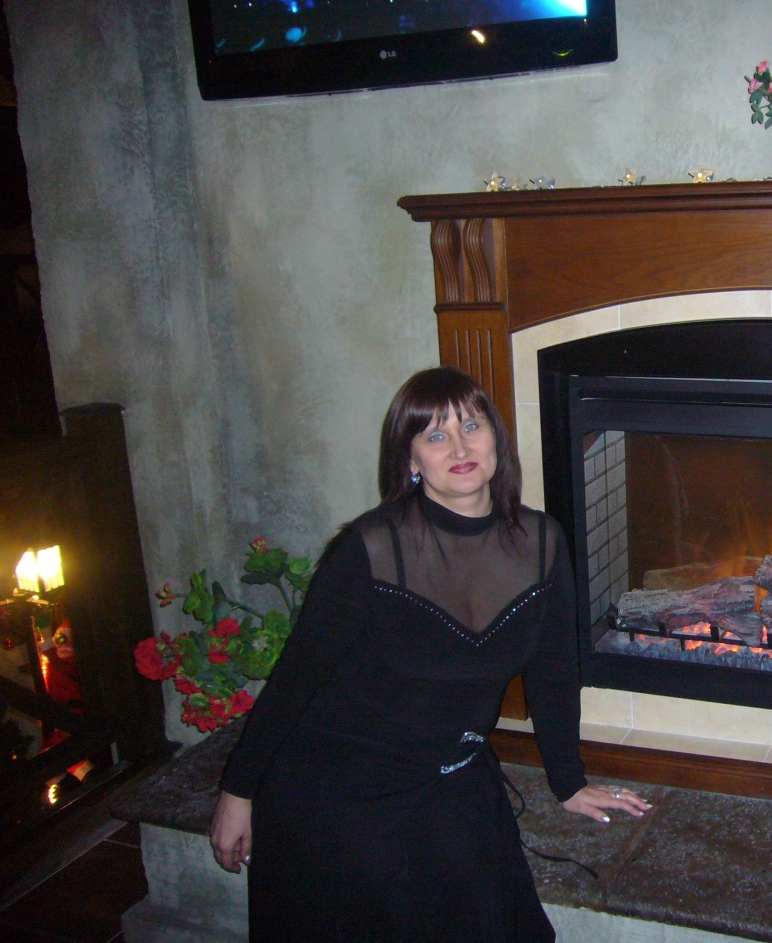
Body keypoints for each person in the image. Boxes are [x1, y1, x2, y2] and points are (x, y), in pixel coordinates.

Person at [209, 366, 650, 942]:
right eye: (436, 435)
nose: (460, 448)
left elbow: (553, 672)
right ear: (411, 459)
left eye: (471, 426)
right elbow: (298, 677)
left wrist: (568, 782)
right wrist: (238, 791)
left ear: (496, 440)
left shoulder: (541, 542)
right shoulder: (370, 548)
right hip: (341, 782)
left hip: (450, 775)